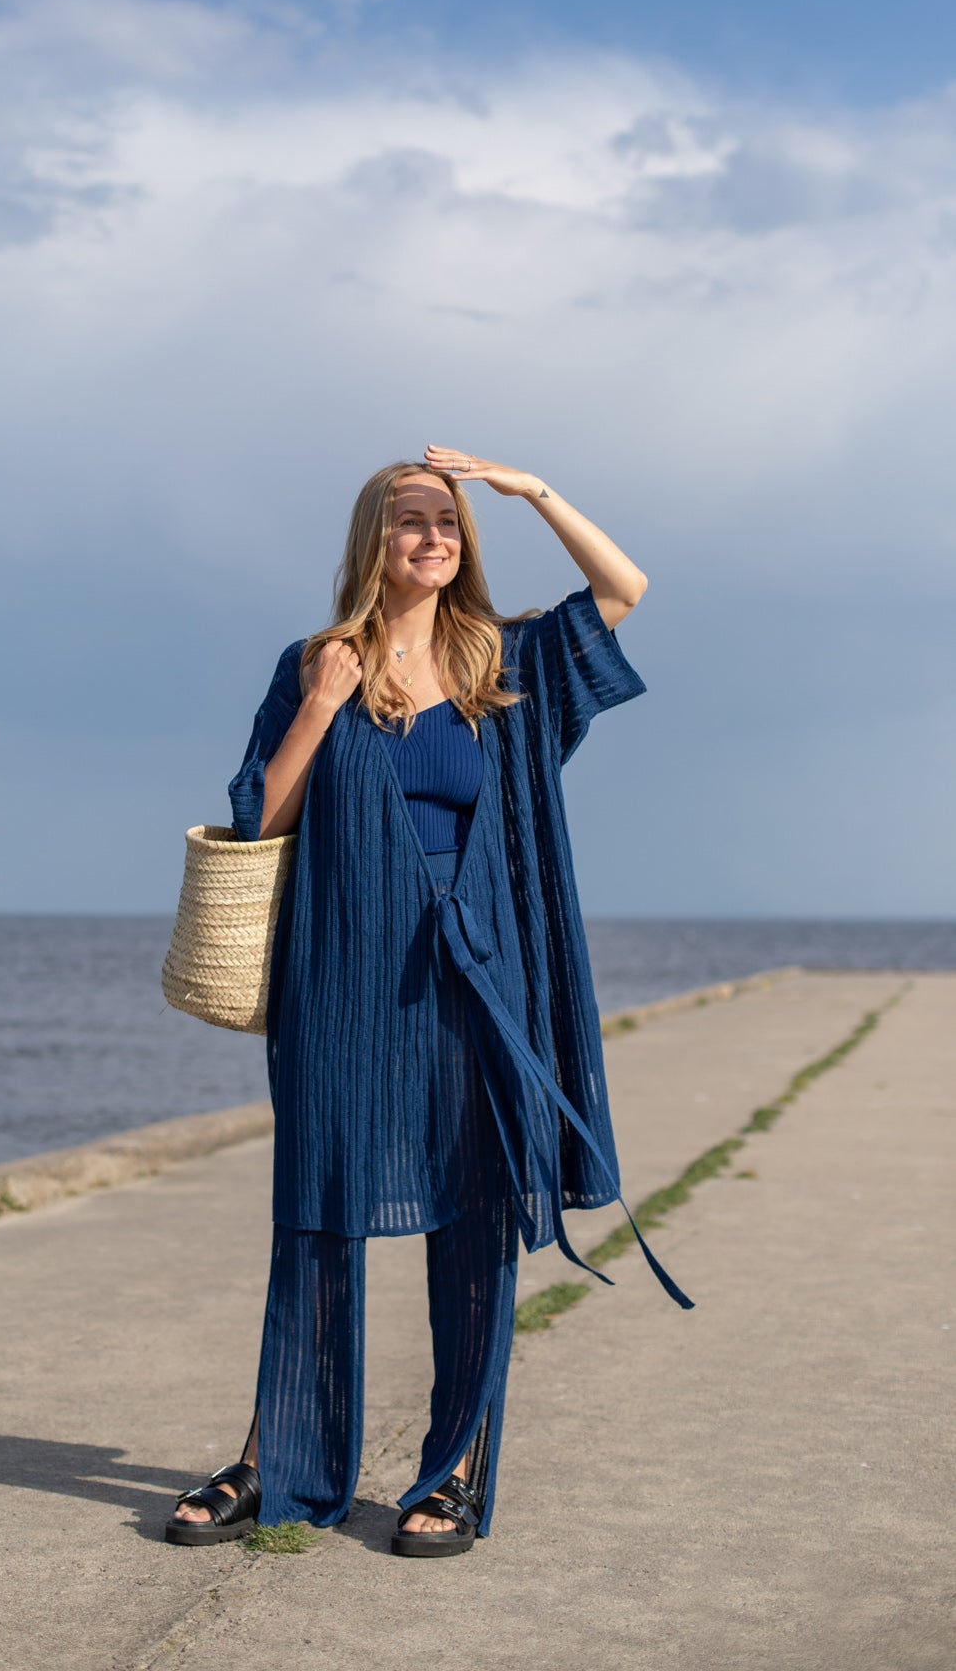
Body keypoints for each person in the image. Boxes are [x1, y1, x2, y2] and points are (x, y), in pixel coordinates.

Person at [166, 447, 691, 1558]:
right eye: (412, 519)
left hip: (477, 972)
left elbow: (622, 589)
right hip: (342, 975)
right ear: (374, 540)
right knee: (316, 1203)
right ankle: (276, 1460)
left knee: (471, 1215)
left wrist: (530, 488)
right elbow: (259, 817)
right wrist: (319, 707)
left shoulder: (501, 660)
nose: (434, 536)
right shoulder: (313, 661)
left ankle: (450, 1470)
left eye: (447, 520)